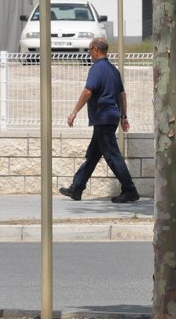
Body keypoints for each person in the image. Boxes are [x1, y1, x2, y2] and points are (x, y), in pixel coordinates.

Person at [59, 38, 140, 203]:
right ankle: (77, 188)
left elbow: (88, 91)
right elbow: (122, 95)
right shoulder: (113, 70)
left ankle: (130, 190)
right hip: (111, 117)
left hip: (103, 117)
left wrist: (74, 111)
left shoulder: (97, 68)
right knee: (93, 155)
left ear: (95, 49)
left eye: (89, 50)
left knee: (113, 156)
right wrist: (123, 117)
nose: (89, 53)